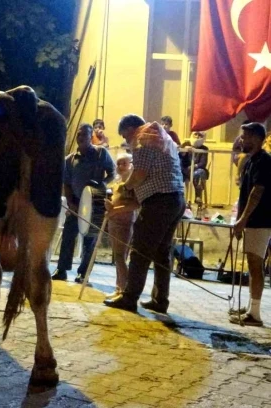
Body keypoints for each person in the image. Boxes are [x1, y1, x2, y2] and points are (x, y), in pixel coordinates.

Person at [104, 114, 185, 314]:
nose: (126, 141)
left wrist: (124, 187)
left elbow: (139, 175)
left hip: (159, 202)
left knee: (139, 251)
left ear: (131, 128)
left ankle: (130, 297)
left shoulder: (143, 139)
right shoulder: (162, 136)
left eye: (124, 136)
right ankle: (160, 300)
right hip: (176, 199)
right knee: (161, 253)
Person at [52, 123, 116, 283]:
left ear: (90, 137)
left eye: (84, 135)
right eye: (78, 135)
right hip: (76, 202)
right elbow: (66, 183)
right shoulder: (70, 159)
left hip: (95, 202)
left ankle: (83, 274)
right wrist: (71, 202)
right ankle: (62, 269)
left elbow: (112, 173)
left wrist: (103, 184)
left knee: (90, 239)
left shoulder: (101, 153)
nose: (80, 138)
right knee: (68, 235)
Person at [230, 122, 271, 327]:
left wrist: (243, 219)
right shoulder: (252, 161)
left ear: (256, 138)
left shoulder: (263, 162)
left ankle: (255, 313)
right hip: (252, 220)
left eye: (245, 136)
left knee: (256, 265)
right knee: (252, 264)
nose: (241, 140)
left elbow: (257, 193)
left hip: (260, 220)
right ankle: (250, 307)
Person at [104, 153, 139, 298]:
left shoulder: (132, 184)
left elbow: (134, 204)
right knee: (118, 256)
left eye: (124, 163)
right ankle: (119, 287)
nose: (120, 166)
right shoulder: (116, 183)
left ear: (130, 164)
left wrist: (114, 210)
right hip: (114, 221)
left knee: (120, 256)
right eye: (118, 163)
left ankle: (123, 289)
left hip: (124, 222)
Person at [191, 131, 210, 206]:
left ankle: (198, 196)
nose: (197, 136)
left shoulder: (204, 148)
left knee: (198, 173)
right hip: (187, 170)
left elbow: (203, 163)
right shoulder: (186, 145)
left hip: (198, 170)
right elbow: (183, 160)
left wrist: (193, 166)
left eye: (200, 135)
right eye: (195, 134)